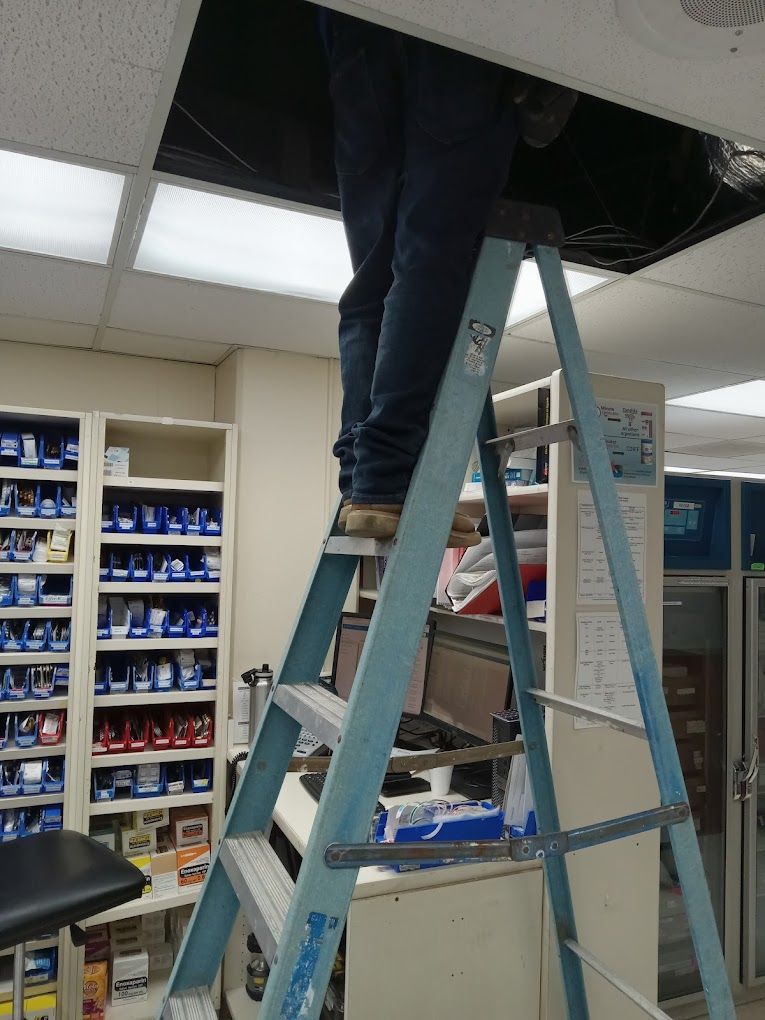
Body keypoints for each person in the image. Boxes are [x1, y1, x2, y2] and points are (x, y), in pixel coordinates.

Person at [324, 12, 517, 549]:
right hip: (446, 26)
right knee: (430, 251)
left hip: (354, 31)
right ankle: (385, 475)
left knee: (370, 282)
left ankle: (363, 481)